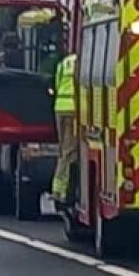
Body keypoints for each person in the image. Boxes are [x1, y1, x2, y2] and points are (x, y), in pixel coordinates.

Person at [51, 52, 77, 204]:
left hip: (59, 108)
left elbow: (57, 84)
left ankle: (58, 187)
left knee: (63, 150)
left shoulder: (64, 63)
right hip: (74, 109)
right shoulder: (82, 61)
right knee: (70, 152)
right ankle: (60, 190)